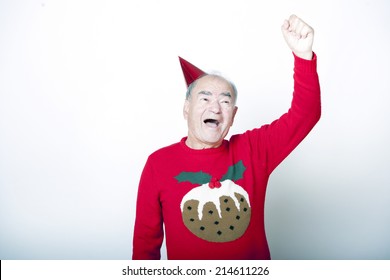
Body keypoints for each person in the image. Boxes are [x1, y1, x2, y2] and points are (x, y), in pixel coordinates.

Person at [132, 14, 321, 260]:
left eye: (225, 101)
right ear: (186, 108)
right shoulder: (158, 164)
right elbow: (145, 247)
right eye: (205, 98)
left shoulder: (253, 150)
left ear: (233, 116)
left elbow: (305, 114)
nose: (215, 108)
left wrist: (303, 56)